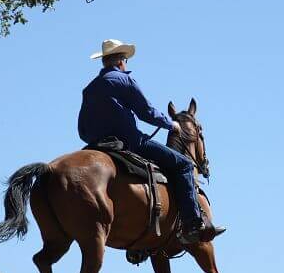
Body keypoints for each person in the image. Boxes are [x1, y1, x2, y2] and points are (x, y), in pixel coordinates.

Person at [78, 39, 225, 244]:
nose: (126, 64)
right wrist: (170, 124)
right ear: (120, 61)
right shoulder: (124, 80)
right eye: (125, 60)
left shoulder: (90, 88)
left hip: (95, 144)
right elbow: (146, 112)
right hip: (130, 142)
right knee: (183, 165)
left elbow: (82, 128)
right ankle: (193, 224)